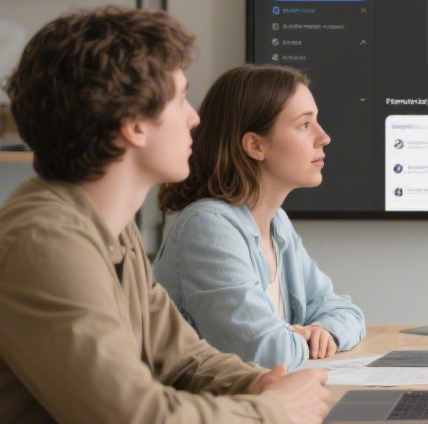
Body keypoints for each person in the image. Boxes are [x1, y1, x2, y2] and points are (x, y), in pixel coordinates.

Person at [0, 8, 329, 424]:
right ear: (133, 127)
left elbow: (180, 355)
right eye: (182, 98)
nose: (195, 117)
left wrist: (257, 381)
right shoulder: (44, 247)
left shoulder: (108, 229)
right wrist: (272, 411)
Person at [155, 65, 365, 369]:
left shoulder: (276, 222)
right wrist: (303, 341)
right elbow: (266, 352)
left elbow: (347, 312)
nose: (324, 137)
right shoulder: (207, 227)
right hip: (217, 413)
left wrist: (324, 331)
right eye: (304, 125)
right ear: (255, 145)